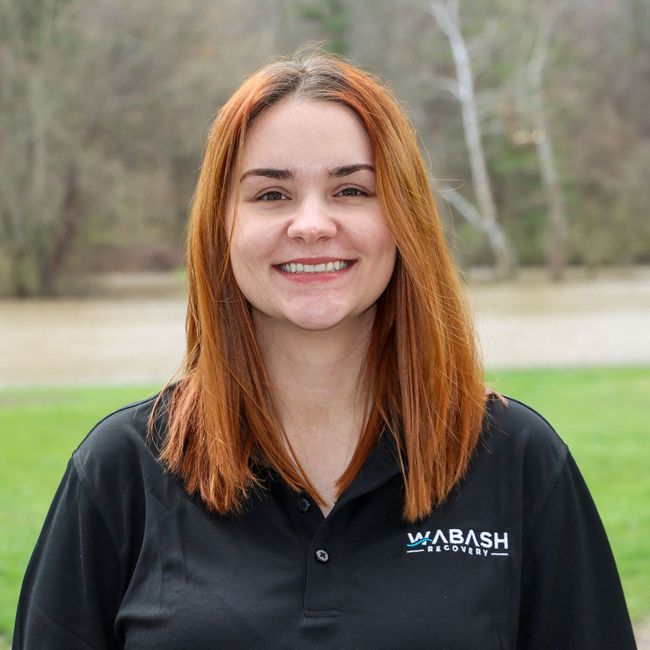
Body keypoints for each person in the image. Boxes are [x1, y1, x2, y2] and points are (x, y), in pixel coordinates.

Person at [13, 51, 636, 649]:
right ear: (220, 229)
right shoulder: (120, 472)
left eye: (352, 191)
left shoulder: (520, 462)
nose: (311, 224)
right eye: (271, 195)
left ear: (404, 220)